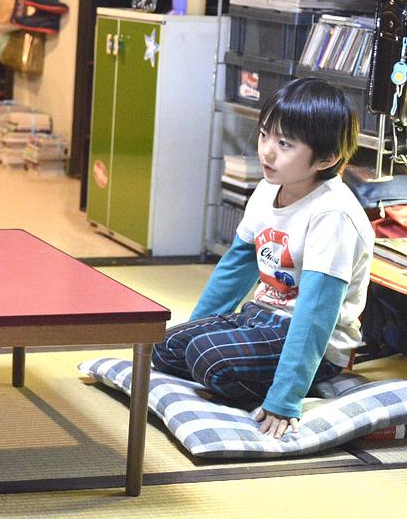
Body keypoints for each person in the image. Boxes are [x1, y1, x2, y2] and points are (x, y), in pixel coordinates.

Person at [151, 77, 373, 438]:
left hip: (312, 340)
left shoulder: (333, 214)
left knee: (208, 359)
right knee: (165, 347)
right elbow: (234, 270)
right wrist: (198, 329)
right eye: (264, 135)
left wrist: (286, 398)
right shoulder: (268, 189)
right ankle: (231, 364)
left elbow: (315, 316)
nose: (267, 151)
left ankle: (310, 384)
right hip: (260, 317)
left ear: (327, 158)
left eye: (285, 144)